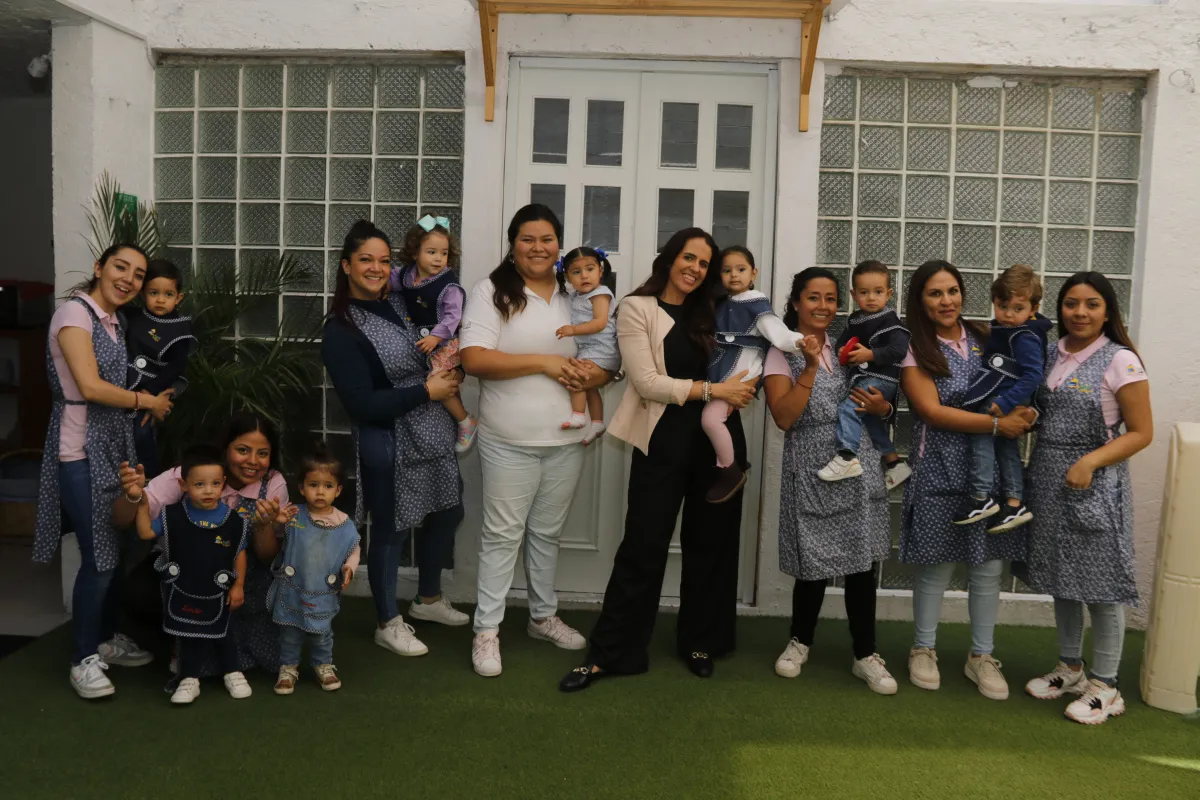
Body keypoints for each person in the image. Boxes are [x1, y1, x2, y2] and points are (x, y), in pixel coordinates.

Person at [558, 228, 757, 693]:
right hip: (662, 439)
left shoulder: (719, 309)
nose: (696, 268)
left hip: (720, 440)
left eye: (705, 263)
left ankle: (701, 642)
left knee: (712, 544)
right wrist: (713, 390)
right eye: (689, 257)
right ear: (669, 258)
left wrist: (742, 384)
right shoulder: (636, 307)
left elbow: (752, 351)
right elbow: (647, 382)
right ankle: (614, 653)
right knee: (643, 545)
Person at [460, 204, 613, 678]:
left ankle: (542, 617)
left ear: (559, 246)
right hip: (508, 438)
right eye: (528, 239)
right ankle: (486, 630)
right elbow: (474, 359)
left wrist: (600, 372)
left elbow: (606, 354)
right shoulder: (493, 291)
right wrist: (544, 362)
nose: (538, 248)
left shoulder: (578, 293)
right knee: (502, 535)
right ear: (512, 243)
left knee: (546, 534)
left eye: (547, 239)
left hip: (566, 441)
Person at [34, 243, 174, 700]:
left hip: (114, 446)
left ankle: (106, 640)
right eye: (120, 267)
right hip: (79, 451)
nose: (129, 279)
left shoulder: (114, 321)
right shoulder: (74, 315)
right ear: (99, 267)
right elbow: (91, 387)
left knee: (118, 545)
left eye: (137, 274)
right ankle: (82, 658)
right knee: (99, 556)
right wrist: (147, 402)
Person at [324, 220, 468, 657]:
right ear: (346, 265)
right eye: (366, 260)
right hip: (388, 439)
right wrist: (427, 390)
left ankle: (427, 599)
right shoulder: (340, 328)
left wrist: (451, 371)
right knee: (388, 528)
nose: (376, 267)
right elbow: (361, 405)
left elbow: (440, 338)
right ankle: (387, 621)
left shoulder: (401, 301)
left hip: (433, 431)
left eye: (384, 260)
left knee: (449, 509)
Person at [1019, 272, 1152, 725]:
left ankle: (1106, 684)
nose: (1080, 313)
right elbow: (1048, 408)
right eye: (1072, 304)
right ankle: (1071, 668)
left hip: (1093, 485)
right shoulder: (1053, 353)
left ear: (1107, 311)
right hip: (1049, 481)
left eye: (1091, 304)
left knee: (1101, 586)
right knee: (1062, 577)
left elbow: (1141, 433)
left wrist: (1090, 462)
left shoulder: (1121, 361)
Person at [898, 260, 1033, 701]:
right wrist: (997, 427)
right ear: (920, 300)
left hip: (989, 471)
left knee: (987, 569)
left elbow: (1021, 385)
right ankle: (923, 648)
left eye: (952, 291)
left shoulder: (986, 336)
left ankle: (981, 656)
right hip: (939, 465)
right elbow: (931, 412)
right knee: (936, 566)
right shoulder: (915, 347)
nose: (946, 301)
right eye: (935, 293)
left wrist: (1027, 413)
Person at [762, 268, 898, 695]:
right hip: (813, 464)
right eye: (813, 298)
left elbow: (879, 397)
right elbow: (784, 417)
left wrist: (883, 410)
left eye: (829, 299)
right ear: (797, 302)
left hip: (858, 460)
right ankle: (800, 642)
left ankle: (865, 654)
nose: (822, 306)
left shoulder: (848, 347)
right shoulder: (779, 352)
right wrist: (807, 364)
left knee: (862, 563)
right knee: (813, 564)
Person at [116, 411, 289, 678]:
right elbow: (123, 521)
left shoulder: (273, 485)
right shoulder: (186, 475)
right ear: (225, 448)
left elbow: (267, 557)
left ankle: (225, 650)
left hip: (236, 571)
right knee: (140, 590)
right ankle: (175, 639)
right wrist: (132, 496)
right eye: (243, 450)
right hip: (183, 569)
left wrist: (263, 526)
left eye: (262, 453)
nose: (253, 462)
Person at [133, 444, 251, 704]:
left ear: (223, 484)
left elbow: (239, 554)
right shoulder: (172, 515)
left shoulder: (234, 521)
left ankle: (233, 672)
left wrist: (239, 585)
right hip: (184, 587)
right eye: (199, 484)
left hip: (220, 591)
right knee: (189, 634)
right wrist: (142, 503)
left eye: (215, 483)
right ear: (184, 485)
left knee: (225, 632)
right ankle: (189, 679)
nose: (208, 490)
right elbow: (144, 533)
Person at [703, 246, 804, 503]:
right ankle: (731, 462)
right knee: (718, 419)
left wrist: (799, 341)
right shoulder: (725, 303)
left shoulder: (755, 303)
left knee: (711, 421)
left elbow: (777, 332)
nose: (734, 275)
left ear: (753, 273)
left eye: (741, 269)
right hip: (725, 372)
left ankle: (730, 470)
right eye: (727, 271)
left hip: (738, 373)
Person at [956, 264, 1052, 532]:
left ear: (1033, 309)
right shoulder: (1010, 330)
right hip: (1005, 394)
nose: (1008, 315)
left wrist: (1008, 402)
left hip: (1002, 396)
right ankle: (1014, 502)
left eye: (1018, 309)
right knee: (1006, 447)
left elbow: (1033, 375)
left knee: (981, 431)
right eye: (1002, 306)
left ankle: (980, 496)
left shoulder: (1024, 337)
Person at [269, 444, 361, 695]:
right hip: (293, 588)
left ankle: (324, 665)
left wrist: (349, 569)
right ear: (301, 488)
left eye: (328, 486)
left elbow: (354, 549)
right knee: (290, 631)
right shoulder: (294, 515)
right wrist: (278, 523)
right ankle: (288, 668)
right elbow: (278, 539)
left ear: (338, 490)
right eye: (313, 485)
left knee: (322, 632)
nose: (320, 492)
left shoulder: (344, 524)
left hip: (322, 590)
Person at [389, 214, 477, 453]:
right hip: (424, 340)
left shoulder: (448, 286)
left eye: (444, 253)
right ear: (415, 252)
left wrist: (436, 336)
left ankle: (465, 421)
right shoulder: (407, 275)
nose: (439, 259)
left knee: (439, 380)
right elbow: (389, 281)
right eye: (431, 252)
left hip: (447, 341)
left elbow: (453, 317)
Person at [820, 260, 911, 491]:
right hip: (864, 378)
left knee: (848, 408)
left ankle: (847, 457)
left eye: (878, 292)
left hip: (883, 379)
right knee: (869, 417)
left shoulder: (890, 321)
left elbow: (899, 350)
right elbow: (845, 340)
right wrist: (841, 349)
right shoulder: (854, 320)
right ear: (853, 294)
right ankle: (893, 462)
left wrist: (870, 354)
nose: (871, 297)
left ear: (889, 294)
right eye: (864, 292)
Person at [125, 258, 198, 477]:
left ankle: (150, 479)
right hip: (122, 384)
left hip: (155, 388)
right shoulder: (131, 316)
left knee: (142, 434)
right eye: (153, 293)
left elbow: (175, 367)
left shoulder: (179, 329)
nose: (160, 300)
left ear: (178, 298)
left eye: (168, 295)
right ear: (142, 293)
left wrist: (150, 392)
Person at [555, 246, 619, 446]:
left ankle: (579, 415)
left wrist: (572, 330)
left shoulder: (601, 294)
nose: (584, 276)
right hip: (590, 349)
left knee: (577, 374)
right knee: (591, 386)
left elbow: (600, 323)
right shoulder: (574, 297)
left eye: (589, 269)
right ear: (567, 277)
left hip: (603, 348)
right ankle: (598, 422)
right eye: (576, 272)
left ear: (600, 270)